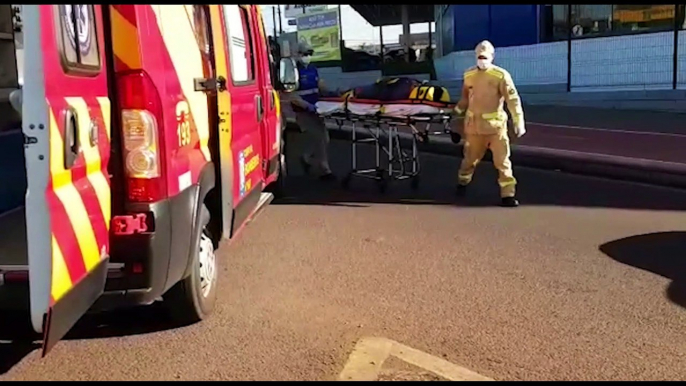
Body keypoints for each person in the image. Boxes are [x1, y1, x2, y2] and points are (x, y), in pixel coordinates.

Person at [454, 40, 526, 207]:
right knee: (469, 160)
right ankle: (462, 183)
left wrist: (518, 121)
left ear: (492, 57)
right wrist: (455, 112)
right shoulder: (469, 75)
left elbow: (513, 100)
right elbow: (465, 98)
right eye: (479, 57)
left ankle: (508, 194)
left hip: (496, 129)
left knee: (503, 162)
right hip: (474, 128)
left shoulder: (500, 76)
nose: (482, 60)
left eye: (485, 57)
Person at [290, 41, 336, 181]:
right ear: (297, 54)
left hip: (316, 109)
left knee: (323, 137)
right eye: (304, 53)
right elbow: (291, 95)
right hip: (303, 111)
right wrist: (306, 106)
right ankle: (324, 169)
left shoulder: (313, 69)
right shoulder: (293, 72)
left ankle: (306, 157)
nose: (307, 56)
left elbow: (320, 86)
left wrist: (333, 95)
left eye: (310, 53)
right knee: (320, 137)